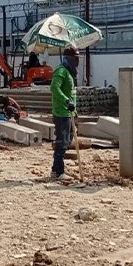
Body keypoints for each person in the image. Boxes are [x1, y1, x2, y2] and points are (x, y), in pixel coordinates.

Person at [50, 45, 79, 179]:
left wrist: (74, 110)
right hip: (62, 113)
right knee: (62, 142)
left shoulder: (69, 72)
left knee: (67, 141)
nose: (77, 60)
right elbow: (54, 88)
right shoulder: (61, 71)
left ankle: (55, 169)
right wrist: (66, 101)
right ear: (69, 58)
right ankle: (59, 172)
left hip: (69, 113)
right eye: (75, 58)